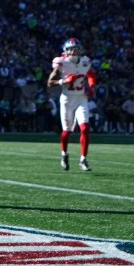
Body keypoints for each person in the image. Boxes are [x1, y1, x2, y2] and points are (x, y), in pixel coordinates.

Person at [46, 38, 97, 171]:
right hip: (67, 99)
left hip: (81, 98)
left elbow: (91, 75)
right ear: (66, 51)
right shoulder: (61, 63)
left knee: (85, 128)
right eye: (71, 49)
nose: (73, 52)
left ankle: (83, 159)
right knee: (67, 131)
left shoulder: (85, 61)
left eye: (76, 49)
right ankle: (64, 154)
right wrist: (64, 81)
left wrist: (92, 86)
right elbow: (50, 83)